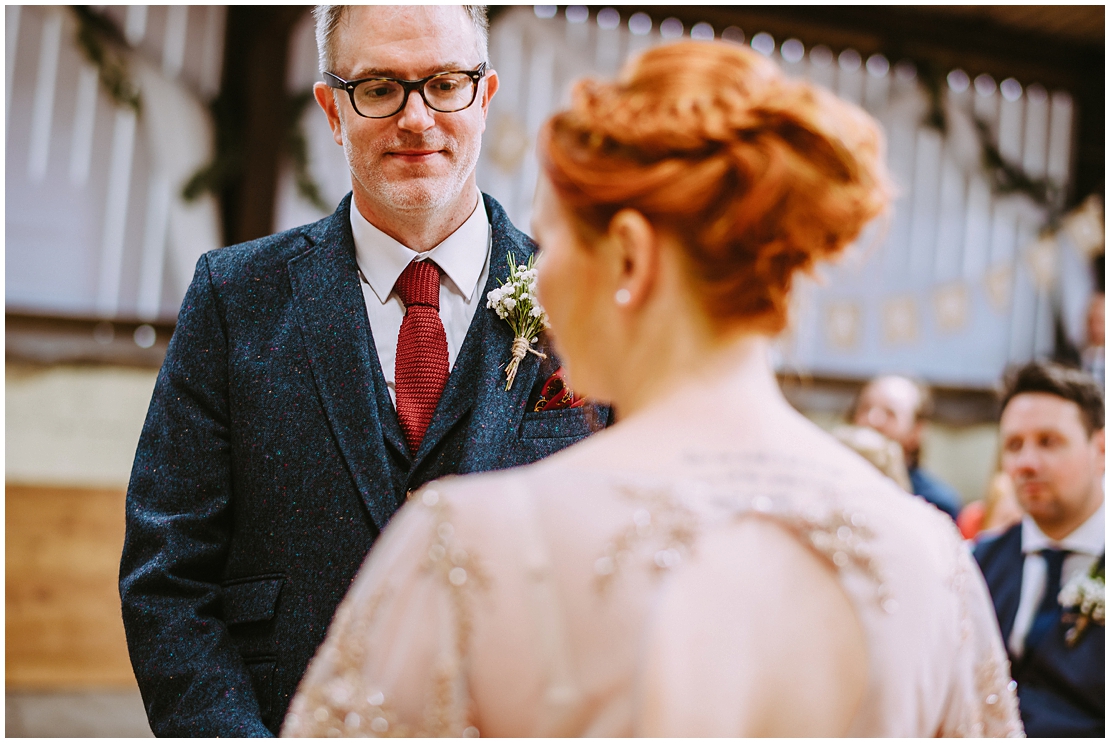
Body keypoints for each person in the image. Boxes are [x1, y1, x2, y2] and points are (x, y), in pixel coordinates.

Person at [283, 40, 1022, 737]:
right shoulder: (929, 558)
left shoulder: (468, 544)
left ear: (630, 256)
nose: (537, 276)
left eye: (553, 240)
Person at [119, 6, 606, 737]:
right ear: (332, 108)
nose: (415, 119)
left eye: (445, 83)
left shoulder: (586, 304)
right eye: (378, 87)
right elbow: (168, 576)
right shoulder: (234, 297)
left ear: (485, 96)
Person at [974, 361, 1104, 737]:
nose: (1026, 464)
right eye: (1014, 445)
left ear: (1100, 448)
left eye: (1049, 442)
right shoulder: (980, 562)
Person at [852, 374, 963, 520]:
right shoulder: (835, 481)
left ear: (916, 431)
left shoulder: (937, 503)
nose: (872, 420)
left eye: (890, 413)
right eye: (865, 408)